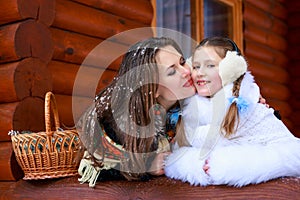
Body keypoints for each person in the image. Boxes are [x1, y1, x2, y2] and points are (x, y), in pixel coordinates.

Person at [164, 36, 300, 187]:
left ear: (230, 70)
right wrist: (192, 165)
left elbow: (293, 154)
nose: (200, 73)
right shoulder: (185, 113)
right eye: (196, 66)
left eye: (210, 65)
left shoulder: (252, 111)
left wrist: (233, 165)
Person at [76, 37, 196, 187]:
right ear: (152, 88)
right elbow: (96, 167)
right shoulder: (118, 124)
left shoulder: (196, 95)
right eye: (172, 71)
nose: (186, 71)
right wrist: (146, 167)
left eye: (183, 62)